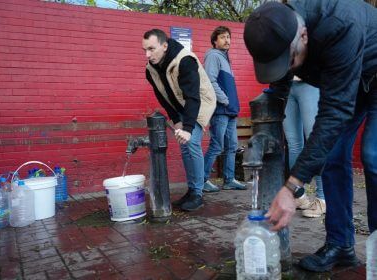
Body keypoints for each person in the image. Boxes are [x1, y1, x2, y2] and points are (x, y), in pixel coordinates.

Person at [243, 0, 377, 272]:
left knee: (373, 155)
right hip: (350, 77)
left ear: (303, 36)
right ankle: (341, 245)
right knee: (333, 155)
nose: (288, 67)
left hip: (374, 71)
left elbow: (335, 111)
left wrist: (292, 187)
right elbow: (281, 75)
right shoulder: (278, 26)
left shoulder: (339, 24)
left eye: (289, 60)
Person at [142, 29, 216, 211]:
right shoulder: (150, 70)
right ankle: (191, 191)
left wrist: (188, 128)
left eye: (152, 49)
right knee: (184, 147)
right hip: (180, 107)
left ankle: (198, 193)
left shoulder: (185, 60)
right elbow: (162, 97)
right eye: (145, 50)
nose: (147, 54)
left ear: (164, 46)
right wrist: (176, 120)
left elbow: (193, 98)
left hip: (200, 103)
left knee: (192, 143)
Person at [202, 26, 246, 193]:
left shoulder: (226, 58)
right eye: (222, 37)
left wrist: (231, 104)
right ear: (215, 41)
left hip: (230, 111)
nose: (227, 40)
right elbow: (210, 81)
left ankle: (229, 180)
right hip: (221, 110)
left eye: (228, 37)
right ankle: (203, 180)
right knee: (216, 145)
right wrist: (225, 100)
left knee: (232, 146)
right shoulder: (213, 56)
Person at [284, 78, 326, 218]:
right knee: (293, 145)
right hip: (286, 85)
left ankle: (322, 198)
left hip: (309, 82)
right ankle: (299, 196)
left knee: (315, 140)